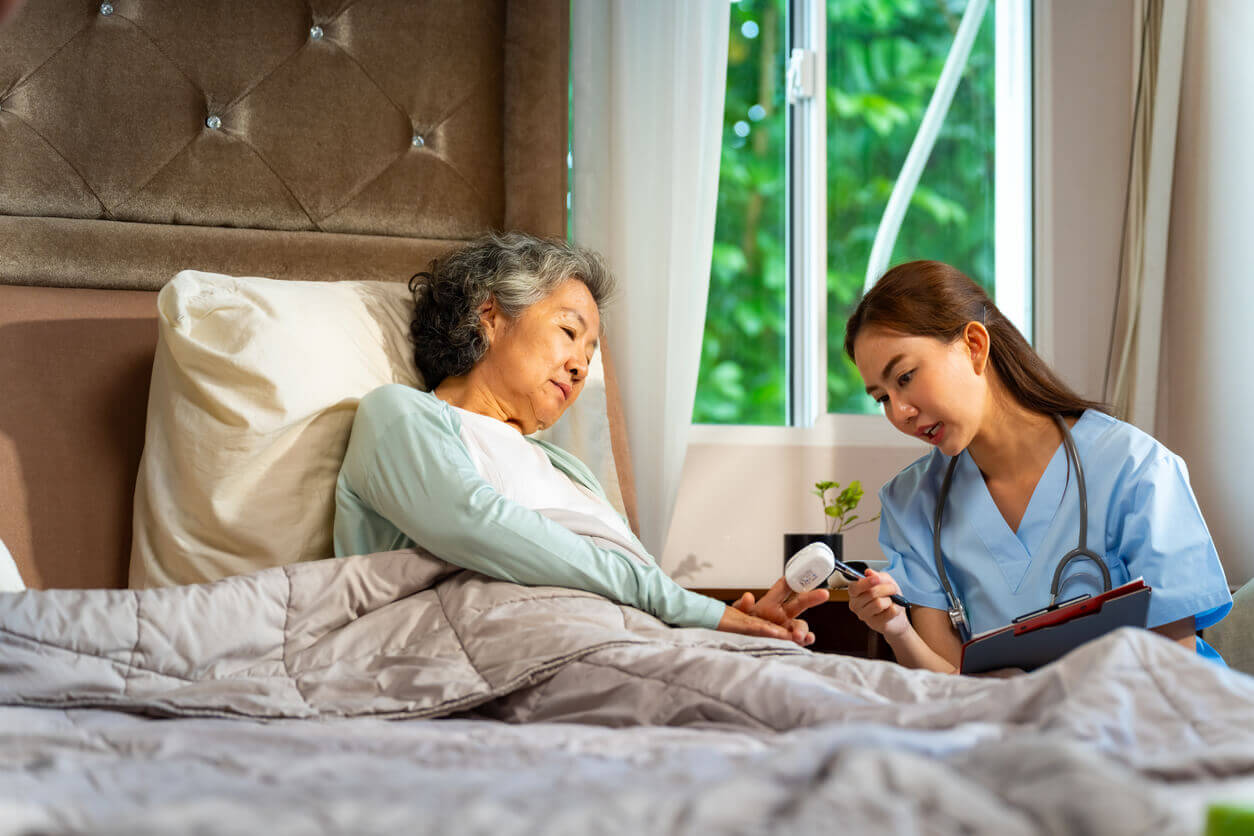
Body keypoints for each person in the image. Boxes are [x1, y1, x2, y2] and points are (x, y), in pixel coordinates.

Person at [334, 232, 826, 645]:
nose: (581, 364)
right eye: (569, 332)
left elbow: (636, 587)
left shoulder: (567, 470)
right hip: (489, 640)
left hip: (621, 640)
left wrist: (727, 629)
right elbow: (475, 522)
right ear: (490, 316)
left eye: (590, 351)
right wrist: (691, 609)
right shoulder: (399, 414)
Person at [843, 260, 1232, 673]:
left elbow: (1176, 671)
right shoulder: (912, 502)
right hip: (1007, 727)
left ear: (974, 346)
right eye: (881, 398)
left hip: (1152, 718)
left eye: (904, 377)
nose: (900, 412)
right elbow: (947, 690)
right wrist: (896, 629)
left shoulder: (1136, 470)